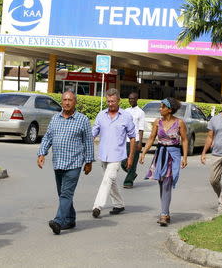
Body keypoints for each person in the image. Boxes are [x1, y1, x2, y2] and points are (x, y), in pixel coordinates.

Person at [37, 91, 94, 234]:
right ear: (61, 102)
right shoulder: (55, 118)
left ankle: (58, 221)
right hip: (58, 163)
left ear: (75, 102)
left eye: (70, 100)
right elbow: (48, 137)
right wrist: (41, 153)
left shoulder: (82, 120)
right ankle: (70, 218)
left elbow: (88, 142)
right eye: (64, 100)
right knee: (62, 193)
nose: (67, 102)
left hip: (74, 163)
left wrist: (89, 162)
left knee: (66, 194)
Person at [139, 97, 188, 226]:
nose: (160, 109)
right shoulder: (157, 122)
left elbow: (184, 140)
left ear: (170, 109)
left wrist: (185, 157)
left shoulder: (179, 123)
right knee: (162, 183)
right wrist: (143, 153)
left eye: (162, 107)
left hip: (173, 155)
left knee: (167, 182)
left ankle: (164, 214)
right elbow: (151, 139)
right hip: (160, 154)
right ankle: (165, 211)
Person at [91, 88, 136, 218]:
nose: (110, 104)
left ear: (119, 101)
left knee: (107, 180)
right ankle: (119, 204)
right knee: (111, 181)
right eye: (108, 101)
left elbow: (133, 137)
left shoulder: (126, 117)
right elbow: (93, 133)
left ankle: (97, 206)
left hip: (117, 156)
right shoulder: (101, 115)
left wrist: (130, 157)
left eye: (113, 101)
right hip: (103, 154)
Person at [121, 92, 145, 188]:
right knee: (123, 162)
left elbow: (141, 128)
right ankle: (132, 174)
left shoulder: (141, 112)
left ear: (137, 99)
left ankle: (128, 182)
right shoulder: (125, 111)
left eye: (133, 98)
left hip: (135, 140)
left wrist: (140, 143)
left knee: (133, 162)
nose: (131, 100)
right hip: (125, 140)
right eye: (130, 98)